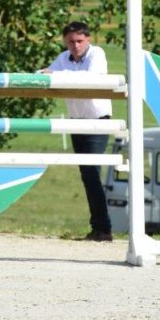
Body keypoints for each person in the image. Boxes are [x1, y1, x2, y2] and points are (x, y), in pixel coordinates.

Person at [41, 21, 113, 242]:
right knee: (87, 175)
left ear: (88, 40)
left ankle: (103, 227)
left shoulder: (97, 54)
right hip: (77, 120)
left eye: (80, 41)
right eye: (71, 41)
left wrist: (56, 75)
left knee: (91, 172)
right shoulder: (64, 58)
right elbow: (44, 73)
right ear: (65, 42)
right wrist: (50, 74)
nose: (76, 45)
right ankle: (99, 227)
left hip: (96, 120)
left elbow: (89, 78)